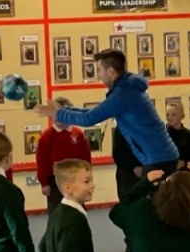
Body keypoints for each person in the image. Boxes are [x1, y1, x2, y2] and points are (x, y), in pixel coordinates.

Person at [40, 50, 178, 178]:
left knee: (150, 196)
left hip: (159, 159)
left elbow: (89, 118)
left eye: (99, 70)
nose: (98, 75)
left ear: (111, 72)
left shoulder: (123, 93)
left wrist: (59, 114)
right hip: (161, 156)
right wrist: (63, 111)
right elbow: (94, 112)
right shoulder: (127, 87)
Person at [33, 98, 91, 209]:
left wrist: (87, 177)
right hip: (54, 181)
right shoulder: (46, 137)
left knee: (78, 207)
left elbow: (86, 158)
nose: (57, 118)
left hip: (76, 178)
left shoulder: (78, 134)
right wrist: (44, 183)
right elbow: (41, 162)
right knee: (56, 209)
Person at [164, 99, 190, 172]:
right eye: (167, 115)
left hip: (185, 173)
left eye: (173, 114)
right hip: (166, 173)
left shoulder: (188, 135)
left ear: (181, 115)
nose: (170, 117)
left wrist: (184, 162)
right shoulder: (162, 134)